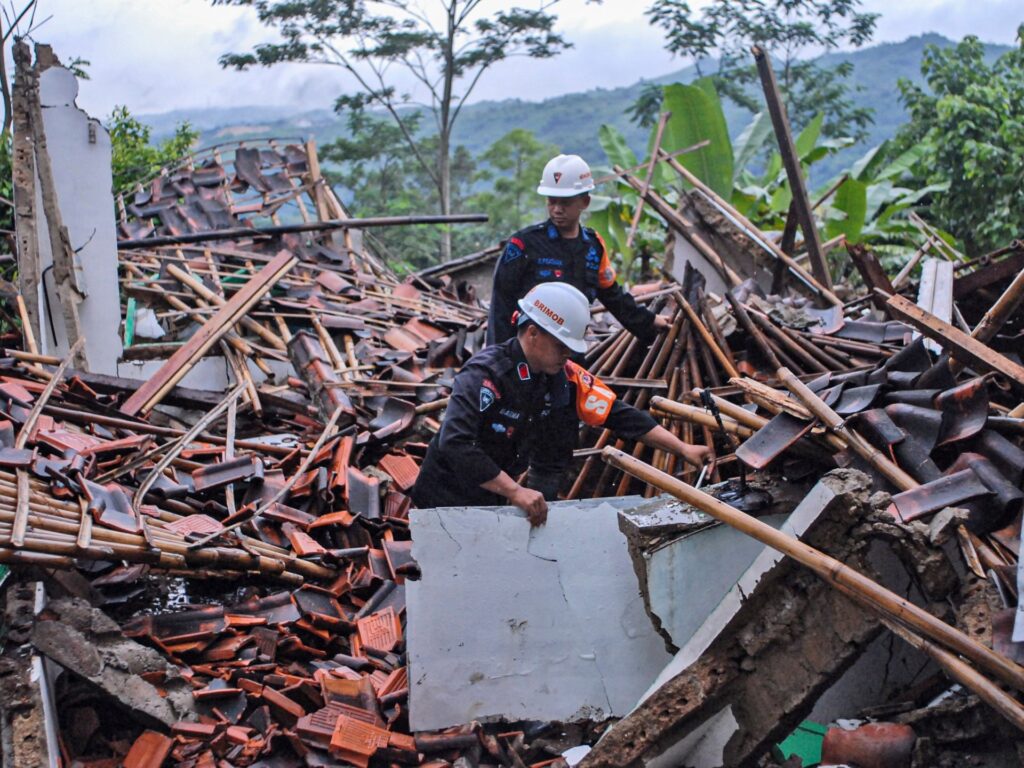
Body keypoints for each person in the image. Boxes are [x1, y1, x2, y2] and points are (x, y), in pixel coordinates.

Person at [413, 282, 710, 526]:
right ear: (533, 333)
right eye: (561, 345)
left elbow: (619, 415)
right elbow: (456, 443)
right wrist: (515, 491)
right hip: (444, 496)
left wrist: (683, 448)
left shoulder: (563, 377)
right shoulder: (484, 375)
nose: (567, 354)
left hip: (492, 498)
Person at [486, 153, 671, 348]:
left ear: (585, 202)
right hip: (527, 354)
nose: (557, 209)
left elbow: (614, 298)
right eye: (552, 201)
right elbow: (501, 307)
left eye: (565, 202)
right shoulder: (522, 245)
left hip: (570, 354)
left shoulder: (593, 247)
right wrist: (498, 359)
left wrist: (650, 321)